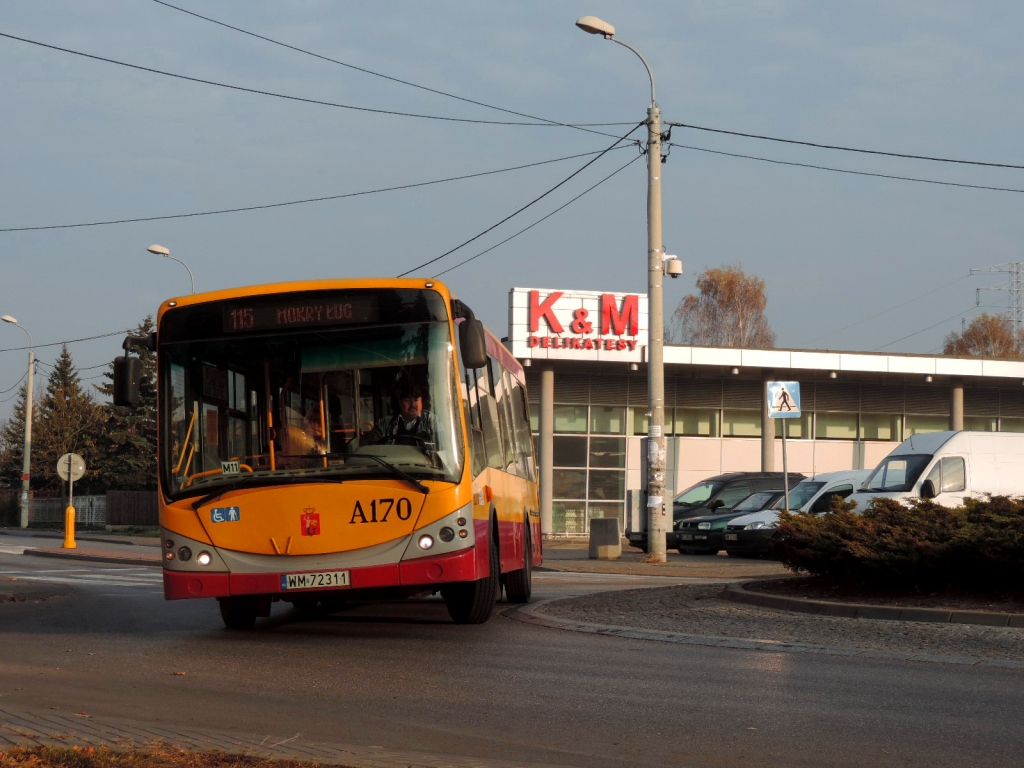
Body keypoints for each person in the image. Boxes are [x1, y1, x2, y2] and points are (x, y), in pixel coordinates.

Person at [366, 381, 436, 451]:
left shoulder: (432, 421)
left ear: (421, 401)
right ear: (399, 402)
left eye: (416, 400)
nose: (412, 405)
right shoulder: (384, 423)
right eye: (407, 400)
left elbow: (442, 446)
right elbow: (373, 449)